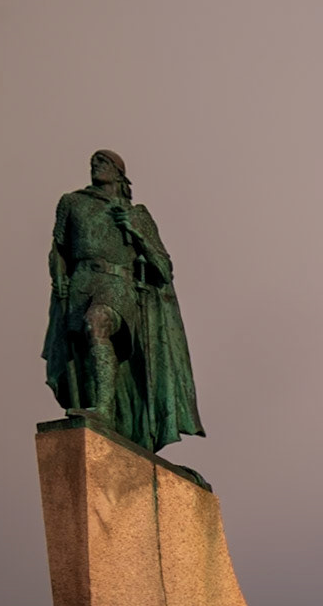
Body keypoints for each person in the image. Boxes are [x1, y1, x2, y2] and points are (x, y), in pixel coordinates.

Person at [43, 150, 204, 455]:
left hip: (117, 283)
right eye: (93, 162)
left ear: (119, 173)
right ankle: (106, 415)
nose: (95, 165)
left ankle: (103, 410)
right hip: (80, 284)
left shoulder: (136, 213)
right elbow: (58, 248)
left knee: (97, 322)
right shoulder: (72, 202)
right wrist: (57, 276)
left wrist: (135, 231)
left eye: (102, 161)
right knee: (84, 363)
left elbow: (163, 268)